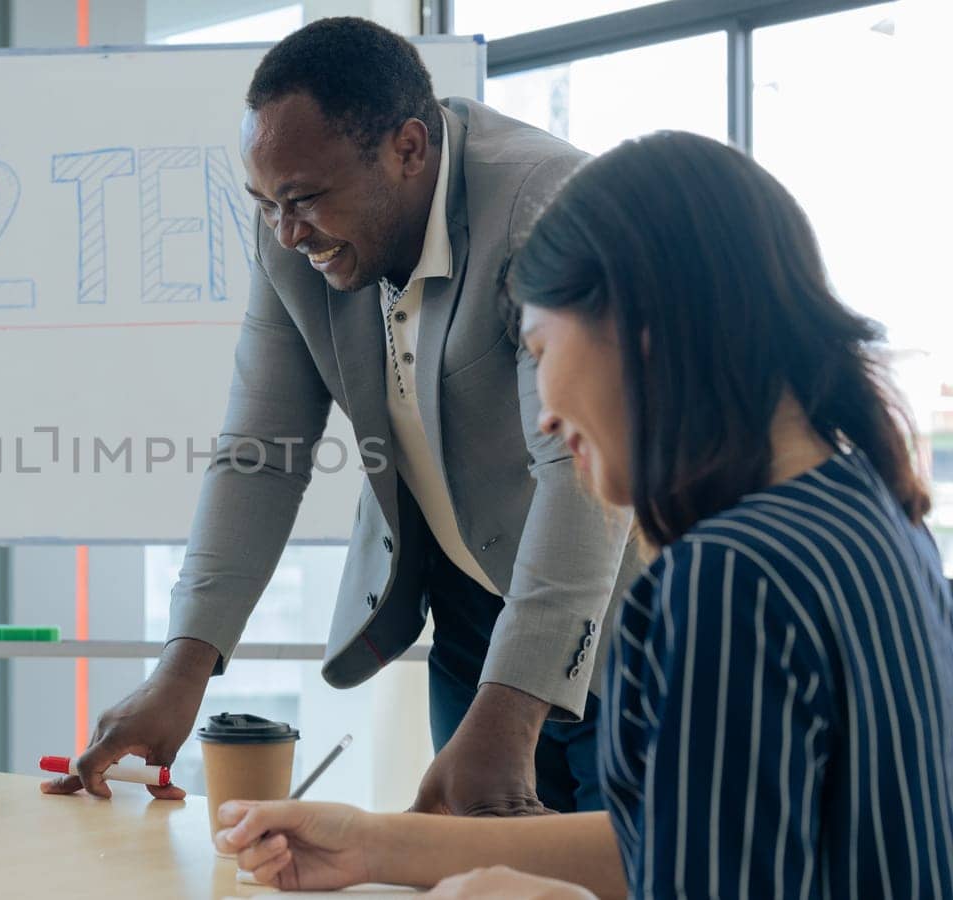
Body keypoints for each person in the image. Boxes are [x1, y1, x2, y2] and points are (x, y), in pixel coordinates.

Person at [212, 131, 953, 898]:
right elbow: (676, 840)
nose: (545, 417)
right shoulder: (870, 514)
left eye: (538, 346)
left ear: (639, 330)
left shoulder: (731, 577)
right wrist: (373, 846)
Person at [46, 16, 636, 815]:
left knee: (636, 868)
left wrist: (512, 708)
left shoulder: (545, 205)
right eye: (265, 205)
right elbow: (260, 451)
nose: (288, 233)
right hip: (470, 614)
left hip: (628, 622)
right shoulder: (291, 240)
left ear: (408, 149)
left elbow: (581, 475)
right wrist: (180, 672)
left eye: (305, 200)